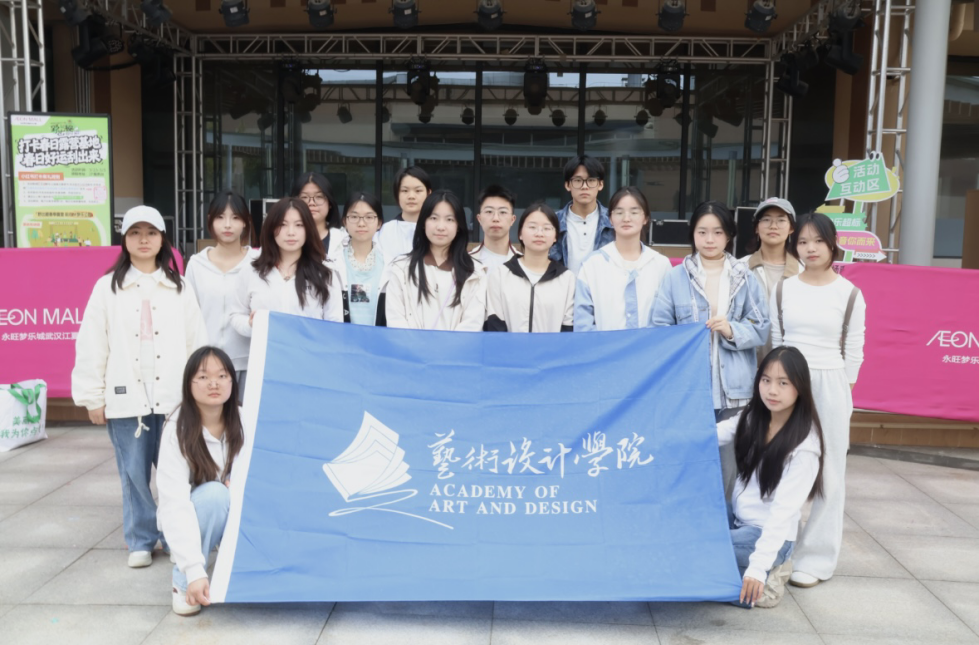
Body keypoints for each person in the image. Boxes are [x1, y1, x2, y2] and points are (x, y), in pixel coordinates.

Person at [72, 206, 208, 569]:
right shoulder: (107, 288)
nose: (143, 239)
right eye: (135, 233)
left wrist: (200, 393)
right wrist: (91, 396)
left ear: (163, 239)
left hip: (174, 400)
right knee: (133, 473)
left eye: (151, 232)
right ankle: (141, 540)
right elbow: (92, 344)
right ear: (124, 240)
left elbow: (197, 343)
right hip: (126, 398)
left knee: (177, 473)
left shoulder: (179, 287)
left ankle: (175, 537)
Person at [770, 212, 866, 589]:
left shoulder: (849, 293)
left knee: (830, 473)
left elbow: (854, 350)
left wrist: (843, 394)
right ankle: (778, 551)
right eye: (803, 242)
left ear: (832, 244)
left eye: (818, 241)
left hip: (830, 382)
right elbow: (777, 339)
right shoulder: (784, 288)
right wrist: (780, 385)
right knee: (782, 467)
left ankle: (816, 559)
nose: (810, 248)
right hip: (789, 382)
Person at [718, 346, 824, 609]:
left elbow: (782, 514)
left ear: (800, 387)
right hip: (739, 519)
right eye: (766, 380)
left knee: (698, 552)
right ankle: (743, 574)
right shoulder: (754, 417)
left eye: (783, 383)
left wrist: (757, 567)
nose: (772, 390)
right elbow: (712, 434)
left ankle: (764, 580)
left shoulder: (805, 448)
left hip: (768, 536)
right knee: (684, 528)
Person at [158, 346, 244, 616]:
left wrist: (237, 483)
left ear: (232, 381)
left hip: (232, 509)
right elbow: (174, 502)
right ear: (189, 384)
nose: (214, 384)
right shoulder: (177, 429)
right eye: (204, 377)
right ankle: (184, 581)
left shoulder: (245, 419)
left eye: (222, 376)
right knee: (215, 495)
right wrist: (194, 570)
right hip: (194, 515)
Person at [229, 197, 344, 348]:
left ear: (308, 229)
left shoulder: (325, 274)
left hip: (309, 357)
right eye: (282, 225)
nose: (291, 232)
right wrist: (251, 324)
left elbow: (335, 324)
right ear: (271, 228)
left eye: (299, 225)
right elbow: (236, 315)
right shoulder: (251, 271)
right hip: (265, 357)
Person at [184, 191, 254, 396]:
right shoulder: (196, 264)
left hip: (248, 363)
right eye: (220, 217)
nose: (228, 225)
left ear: (245, 222)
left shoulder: (258, 262)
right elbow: (189, 316)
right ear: (210, 221)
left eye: (235, 218)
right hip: (206, 365)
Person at [385, 190, 486, 331]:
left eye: (449, 219)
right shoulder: (401, 268)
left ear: (458, 226)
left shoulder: (474, 273)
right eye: (433, 218)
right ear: (423, 222)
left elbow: (472, 324)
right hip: (409, 345)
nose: (440, 227)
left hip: (458, 346)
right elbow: (395, 320)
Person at [574, 187, 672, 331]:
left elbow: (667, 319)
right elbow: (583, 324)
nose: (626, 218)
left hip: (651, 345)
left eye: (634, 212)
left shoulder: (661, 265)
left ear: (645, 218)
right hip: (604, 346)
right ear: (610, 219)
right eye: (619, 212)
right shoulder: (592, 265)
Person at [484, 202, 574, 332]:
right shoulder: (500, 275)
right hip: (508, 346)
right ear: (520, 234)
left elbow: (568, 328)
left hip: (553, 346)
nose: (539, 233)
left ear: (555, 236)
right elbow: (495, 325)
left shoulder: (567, 279)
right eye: (532, 227)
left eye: (547, 228)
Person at [740, 197, 802, 364]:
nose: (773, 226)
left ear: (791, 228)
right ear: (756, 227)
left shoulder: (803, 271)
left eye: (781, 220)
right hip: (747, 360)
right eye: (766, 220)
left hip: (790, 364)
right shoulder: (739, 268)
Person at [550, 155, 614, 274]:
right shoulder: (552, 222)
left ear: (600, 184)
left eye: (591, 180)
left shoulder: (613, 222)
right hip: (561, 285)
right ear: (567, 185)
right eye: (578, 180)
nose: (584, 186)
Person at [341, 191, 386, 326]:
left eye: (369, 217)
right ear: (345, 222)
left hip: (379, 337)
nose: (361, 223)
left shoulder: (389, 265)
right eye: (354, 217)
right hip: (341, 336)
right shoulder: (332, 265)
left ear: (379, 223)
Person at [377, 166, 433, 264]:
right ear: (397, 194)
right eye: (405, 191)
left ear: (428, 193)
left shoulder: (437, 229)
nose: (411, 196)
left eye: (418, 191)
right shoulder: (385, 231)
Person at [291, 172, 343, 260]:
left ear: (330, 203)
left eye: (319, 197)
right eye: (304, 197)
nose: (311, 203)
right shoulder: (285, 237)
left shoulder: (344, 240)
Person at [470, 184, 521, 272]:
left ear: (512, 219)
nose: (496, 218)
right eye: (489, 211)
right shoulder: (466, 261)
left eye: (503, 212)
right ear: (479, 219)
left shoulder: (522, 262)